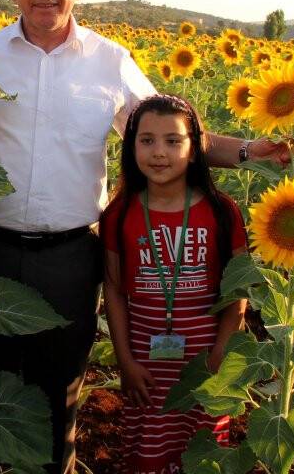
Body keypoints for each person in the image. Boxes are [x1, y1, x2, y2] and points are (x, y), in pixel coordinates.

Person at [0, 0, 294, 473]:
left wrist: (249, 151)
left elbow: (172, 133)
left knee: (58, 397)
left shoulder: (110, 61)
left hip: (70, 257)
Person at [100, 95, 248, 474]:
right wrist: (125, 360)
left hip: (205, 362)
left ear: (195, 149)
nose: (159, 153)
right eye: (146, 140)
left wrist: (221, 352)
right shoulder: (119, 213)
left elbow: (236, 293)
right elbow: (115, 291)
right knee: (147, 450)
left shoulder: (221, 210)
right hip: (146, 366)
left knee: (203, 453)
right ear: (130, 147)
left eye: (173, 141)